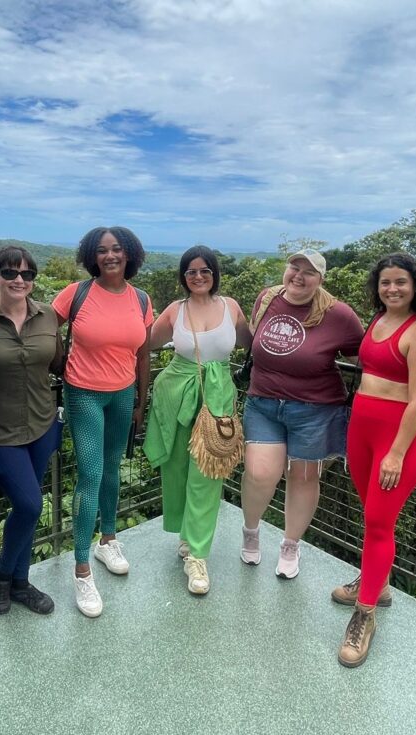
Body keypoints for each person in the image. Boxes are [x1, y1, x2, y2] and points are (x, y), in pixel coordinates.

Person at [333, 252, 416, 668]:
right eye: (385, 282)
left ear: (415, 287)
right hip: (362, 431)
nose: (392, 289)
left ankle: (365, 616)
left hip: (399, 440)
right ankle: (378, 584)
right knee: (371, 514)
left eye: (400, 282)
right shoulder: (377, 321)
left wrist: (395, 452)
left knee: (379, 523)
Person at [239, 248, 364, 579]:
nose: (299, 275)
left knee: (304, 477)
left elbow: (363, 356)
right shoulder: (267, 298)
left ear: (321, 279)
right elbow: (252, 340)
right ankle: (251, 530)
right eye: (295, 266)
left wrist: (412, 370)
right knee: (260, 473)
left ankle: (290, 544)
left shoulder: (339, 314)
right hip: (263, 402)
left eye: (309, 271)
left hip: (315, 409)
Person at [52, 226, 153, 617]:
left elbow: (142, 356)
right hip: (84, 393)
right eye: (102, 250)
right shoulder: (76, 294)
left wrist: (141, 402)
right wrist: (58, 361)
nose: (110, 256)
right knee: (90, 475)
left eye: (117, 249)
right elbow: (44, 326)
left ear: (129, 254)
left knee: (113, 469)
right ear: (91, 256)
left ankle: (107, 539)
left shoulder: (141, 299)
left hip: (123, 394)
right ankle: (81, 570)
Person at [142, 246, 251, 595]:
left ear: (215, 273)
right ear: (183, 276)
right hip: (176, 392)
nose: (198, 276)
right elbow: (143, 343)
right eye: (191, 272)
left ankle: (198, 555)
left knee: (208, 472)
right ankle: (186, 536)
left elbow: (254, 344)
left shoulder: (231, 307)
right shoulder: (176, 311)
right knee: (176, 469)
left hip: (217, 395)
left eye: (205, 271)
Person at [0, 246, 62, 617]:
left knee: (26, 509)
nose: (19, 280)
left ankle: (20, 583)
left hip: (41, 425)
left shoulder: (48, 316)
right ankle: (3, 575)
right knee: (29, 504)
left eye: (27, 274)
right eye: (10, 273)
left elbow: (60, 362)